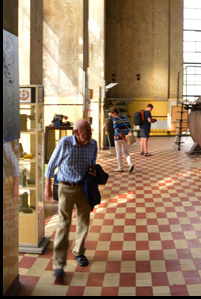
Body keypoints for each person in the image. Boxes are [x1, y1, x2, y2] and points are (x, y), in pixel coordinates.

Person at [44, 119, 98, 284]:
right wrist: (47, 186)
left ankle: (79, 251)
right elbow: (51, 165)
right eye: (85, 132)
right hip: (66, 187)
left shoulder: (93, 144)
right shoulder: (65, 143)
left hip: (84, 188)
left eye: (90, 131)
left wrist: (94, 170)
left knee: (84, 221)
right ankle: (59, 264)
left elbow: (92, 163)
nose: (88, 136)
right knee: (63, 224)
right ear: (75, 132)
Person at [109, 108, 134, 173]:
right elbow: (130, 128)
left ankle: (120, 167)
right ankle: (130, 163)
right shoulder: (126, 118)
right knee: (125, 151)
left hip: (118, 138)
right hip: (126, 137)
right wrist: (127, 136)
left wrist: (122, 137)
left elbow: (116, 129)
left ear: (114, 113)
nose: (112, 116)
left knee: (119, 152)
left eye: (112, 114)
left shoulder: (115, 119)